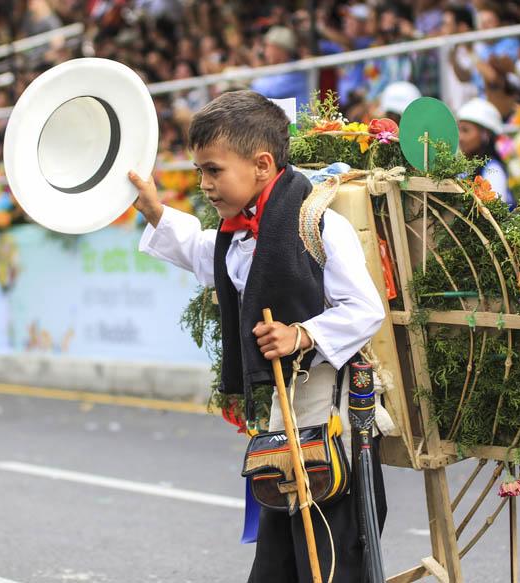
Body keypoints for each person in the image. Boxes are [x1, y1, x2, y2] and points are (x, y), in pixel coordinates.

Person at [130, 90, 387, 582]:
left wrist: (300, 334)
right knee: (278, 559)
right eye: (200, 171)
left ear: (263, 165)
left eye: (213, 170)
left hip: (333, 414)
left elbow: (364, 308)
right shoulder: (239, 234)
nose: (204, 185)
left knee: (332, 556)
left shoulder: (317, 224)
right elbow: (206, 255)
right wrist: (156, 213)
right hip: (284, 415)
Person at [456, 97, 513, 208]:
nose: (460, 137)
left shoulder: (493, 170)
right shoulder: (463, 169)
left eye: (466, 130)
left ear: (485, 135)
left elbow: (494, 213)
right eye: (459, 130)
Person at [250, 26, 310, 112]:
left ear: (280, 48)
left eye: (268, 47)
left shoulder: (296, 69)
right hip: (286, 124)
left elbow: (261, 89)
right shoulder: (274, 70)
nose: (264, 52)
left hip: (301, 124)